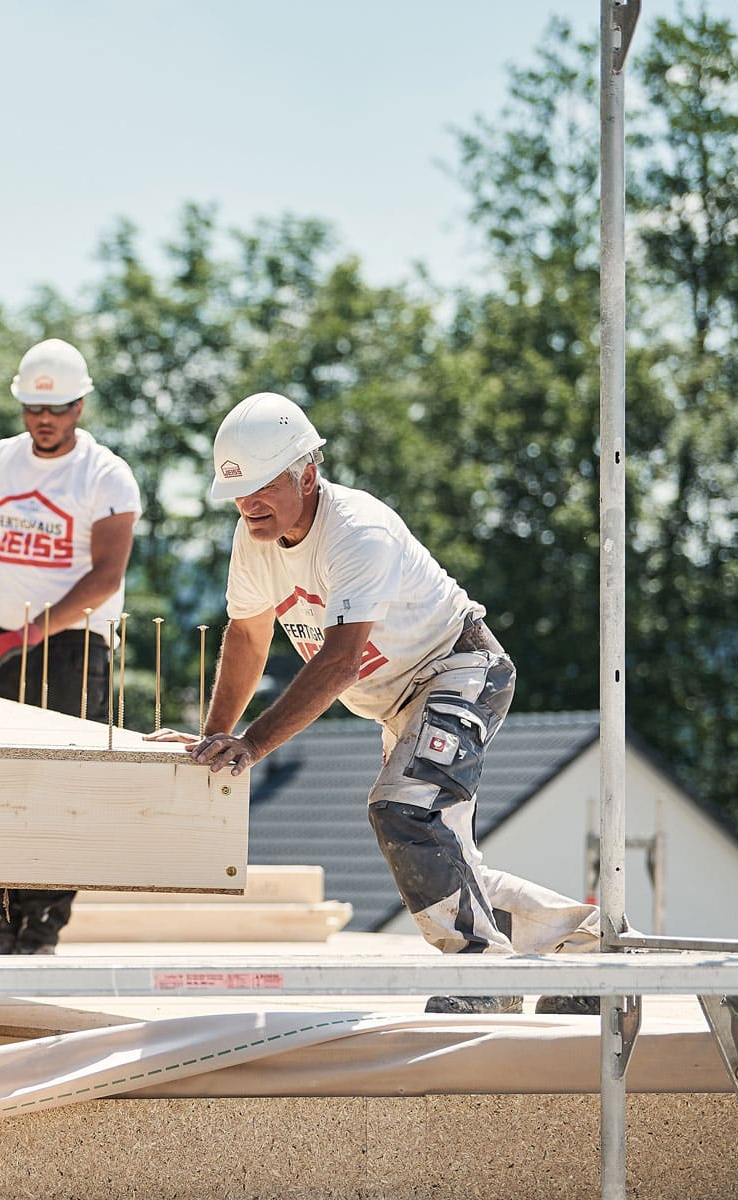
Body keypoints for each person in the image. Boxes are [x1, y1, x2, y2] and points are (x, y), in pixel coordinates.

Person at [154, 391, 599, 1014]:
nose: (247, 503)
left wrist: (251, 745)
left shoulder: (356, 531)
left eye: (262, 487)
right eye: (238, 491)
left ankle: (484, 977)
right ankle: (589, 952)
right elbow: (248, 634)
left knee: (404, 813)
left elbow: (337, 663)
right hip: (400, 703)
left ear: (307, 474)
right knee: (443, 854)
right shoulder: (254, 536)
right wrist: (214, 735)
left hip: (459, 669)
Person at [0, 338, 140, 955]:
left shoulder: (105, 475)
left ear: (80, 406)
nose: (44, 419)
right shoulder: (1, 462)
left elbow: (105, 577)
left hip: (76, 643)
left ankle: (42, 922)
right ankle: (3, 915)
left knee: (61, 786)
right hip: (2, 637)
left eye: (58, 408)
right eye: (33, 407)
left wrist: (27, 636)